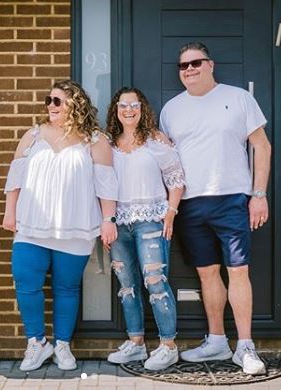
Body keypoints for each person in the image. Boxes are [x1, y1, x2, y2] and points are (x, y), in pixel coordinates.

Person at [159, 42, 272, 375]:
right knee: (207, 274)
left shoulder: (238, 98)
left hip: (232, 198)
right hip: (190, 205)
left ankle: (246, 348)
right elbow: (165, 160)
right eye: (183, 66)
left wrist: (259, 194)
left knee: (238, 271)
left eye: (195, 63)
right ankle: (218, 340)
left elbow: (262, 147)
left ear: (210, 65)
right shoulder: (171, 109)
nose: (189, 69)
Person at [2, 80, 118, 371]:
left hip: (75, 226)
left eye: (57, 101)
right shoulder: (32, 135)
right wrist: (9, 212)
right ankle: (37, 343)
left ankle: (63, 346)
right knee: (26, 283)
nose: (50, 106)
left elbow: (106, 186)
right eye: (48, 100)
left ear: (75, 105)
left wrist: (108, 220)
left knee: (67, 288)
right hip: (31, 225)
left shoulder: (95, 140)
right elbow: (14, 179)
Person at [106, 87, 185, 371]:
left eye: (134, 105)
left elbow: (176, 179)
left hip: (151, 220)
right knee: (127, 287)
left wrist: (171, 214)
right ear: (116, 110)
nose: (129, 110)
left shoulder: (155, 141)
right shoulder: (109, 145)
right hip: (119, 224)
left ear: (142, 108)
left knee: (156, 283)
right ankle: (136, 344)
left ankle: (168, 346)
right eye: (123, 105)